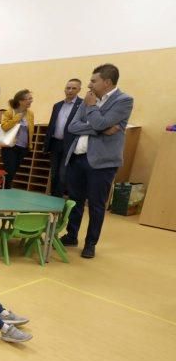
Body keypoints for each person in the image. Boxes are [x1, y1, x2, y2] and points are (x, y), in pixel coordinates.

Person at [62, 64, 134, 259]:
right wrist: (99, 127)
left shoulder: (124, 100)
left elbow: (101, 122)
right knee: (74, 201)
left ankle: (90, 243)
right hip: (78, 157)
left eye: (93, 81)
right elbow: (73, 127)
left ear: (107, 82)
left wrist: (93, 109)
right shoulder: (89, 98)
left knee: (96, 204)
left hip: (102, 163)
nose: (89, 84)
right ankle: (71, 235)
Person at [45, 79, 83, 197]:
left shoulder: (82, 104)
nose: (70, 91)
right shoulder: (57, 105)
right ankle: (53, 197)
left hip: (70, 144)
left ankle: (58, 199)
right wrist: (46, 144)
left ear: (79, 90)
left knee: (63, 173)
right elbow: (52, 124)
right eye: (68, 88)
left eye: (73, 88)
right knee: (54, 173)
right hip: (55, 143)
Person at [0, 90, 35, 189]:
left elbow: (30, 130)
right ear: (20, 101)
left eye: (31, 98)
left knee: (13, 171)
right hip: (10, 147)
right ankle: (4, 190)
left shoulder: (30, 114)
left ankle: (4, 189)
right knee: (9, 171)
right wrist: (16, 119)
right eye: (29, 99)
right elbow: (4, 127)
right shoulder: (10, 111)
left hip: (23, 148)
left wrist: (30, 145)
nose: (31, 101)